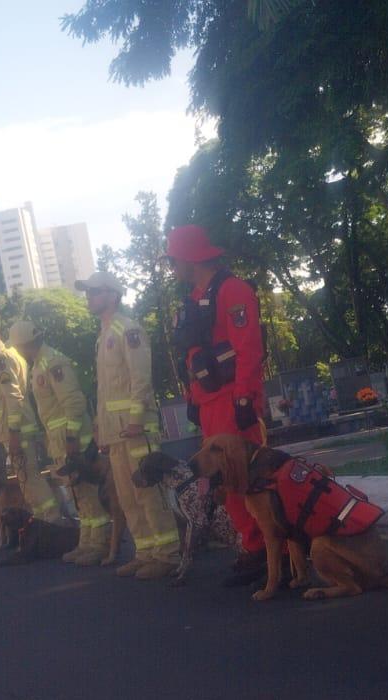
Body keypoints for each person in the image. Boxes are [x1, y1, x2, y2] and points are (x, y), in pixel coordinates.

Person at [162, 224, 271, 587]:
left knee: (242, 477)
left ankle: (266, 548)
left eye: (173, 259)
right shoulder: (195, 298)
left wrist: (244, 397)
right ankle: (253, 545)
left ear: (189, 257)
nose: (171, 266)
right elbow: (195, 355)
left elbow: (249, 348)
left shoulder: (232, 290)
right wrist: (193, 399)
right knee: (221, 481)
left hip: (230, 399)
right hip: (209, 402)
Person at [77, 271, 180, 580]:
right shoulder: (104, 334)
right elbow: (106, 390)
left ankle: (169, 555)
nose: (89, 297)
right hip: (116, 431)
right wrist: (101, 428)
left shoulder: (128, 329)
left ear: (113, 295)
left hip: (135, 428)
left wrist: (136, 419)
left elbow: (140, 378)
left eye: (94, 291)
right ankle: (146, 551)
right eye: (88, 292)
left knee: (148, 492)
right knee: (127, 495)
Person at [9, 320, 112, 565]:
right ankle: (86, 542)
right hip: (61, 441)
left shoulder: (53, 363)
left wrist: (72, 439)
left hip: (72, 442)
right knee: (78, 497)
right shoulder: (39, 365)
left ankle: (99, 544)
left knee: (87, 494)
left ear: (21, 345)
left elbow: (74, 403)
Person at [0, 319, 63, 524]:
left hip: (16, 431)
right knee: (26, 480)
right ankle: (41, 521)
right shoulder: (12, 354)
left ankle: (52, 521)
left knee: (30, 479)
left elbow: (13, 397)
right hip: (21, 428)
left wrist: (13, 432)